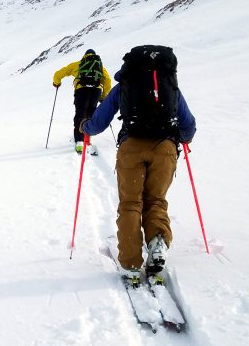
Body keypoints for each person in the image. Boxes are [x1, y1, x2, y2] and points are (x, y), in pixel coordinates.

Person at [80, 45, 196, 283]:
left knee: (131, 203)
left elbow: (99, 122)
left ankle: (131, 263)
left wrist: (85, 127)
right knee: (155, 200)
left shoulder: (125, 85)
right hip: (164, 149)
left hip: (131, 148)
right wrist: (183, 139)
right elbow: (188, 124)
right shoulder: (170, 86)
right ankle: (158, 245)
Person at [52, 49, 112, 153]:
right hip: (95, 92)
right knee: (90, 115)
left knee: (80, 114)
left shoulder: (78, 64)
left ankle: (79, 142)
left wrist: (56, 82)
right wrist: (103, 96)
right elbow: (108, 82)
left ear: (85, 56)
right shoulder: (100, 67)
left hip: (81, 91)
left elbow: (59, 73)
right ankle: (87, 138)